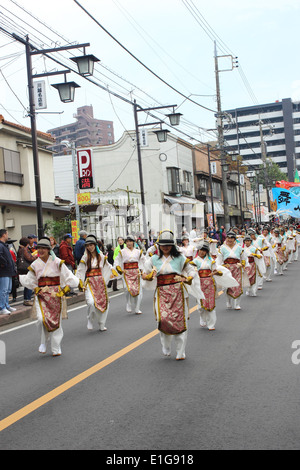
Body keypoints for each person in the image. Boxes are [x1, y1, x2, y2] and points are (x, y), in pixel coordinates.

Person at [142, 230, 201, 360]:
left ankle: (181, 351)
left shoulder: (180, 258)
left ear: (173, 245)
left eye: (168, 244)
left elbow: (191, 270)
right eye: (163, 245)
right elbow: (144, 274)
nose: (166, 247)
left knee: (180, 320)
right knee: (163, 320)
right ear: (159, 246)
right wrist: (149, 276)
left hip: (178, 291)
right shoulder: (153, 259)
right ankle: (166, 345)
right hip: (161, 292)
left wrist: (188, 278)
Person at [19, 237, 82, 356]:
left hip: (55, 295)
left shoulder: (58, 262)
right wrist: (35, 287)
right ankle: (43, 341)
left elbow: (67, 276)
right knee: (41, 319)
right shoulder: (35, 264)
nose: (41, 250)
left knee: (56, 321)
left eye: (43, 248)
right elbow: (30, 279)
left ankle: (56, 348)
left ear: (48, 250)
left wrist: (68, 287)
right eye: (39, 248)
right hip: (41, 295)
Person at [191, 240, 238, 331]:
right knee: (201, 305)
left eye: (204, 250)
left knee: (211, 304)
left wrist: (216, 272)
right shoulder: (194, 261)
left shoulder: (211, 261)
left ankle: (211, 324)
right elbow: (191, 272)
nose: (202, 252)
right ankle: (202, 317)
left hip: (210, 284)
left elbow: (217, 271)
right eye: (201, 250)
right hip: (199, 284)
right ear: (198, 250)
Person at [76, 234, 113, 331]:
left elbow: (108, 267)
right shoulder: (84, 258)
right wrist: (79, 281)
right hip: (90, 282)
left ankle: (102, 323)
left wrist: (116, 270)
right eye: (87, 245)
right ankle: (90, 319)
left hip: (100, 283)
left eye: (91, 245)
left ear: (95, 245)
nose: (89, 247)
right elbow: (80, 270)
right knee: (91, 303)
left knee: (103, 303)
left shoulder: (101, 256)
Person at [216, 231, 248, 310]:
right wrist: (222, 266)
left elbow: (244, 258)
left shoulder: (239, 248)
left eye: (231, 238)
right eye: (228, 238)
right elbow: (219, 260)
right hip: (226, 268)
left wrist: (242, 264)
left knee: (237, 285)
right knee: (227, 286)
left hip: (237, 268)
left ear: (234, 239)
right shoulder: (222, 248)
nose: (229, 240)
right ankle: (228, 301)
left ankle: (237, 304)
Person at [114, 234, 145, 314]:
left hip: (136, 272)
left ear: (133, 242)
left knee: (139, 291)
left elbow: (143, 261)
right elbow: (117, 261)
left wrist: (142, 270)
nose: (129, 243)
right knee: (127, 289)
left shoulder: (138, 251)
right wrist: (118, 268)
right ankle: (128, 302)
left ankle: (137, 308)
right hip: (126, 272)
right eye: (127, 241)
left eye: (130, 241)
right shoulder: (122, 252)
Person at [0, 229, 17, 315]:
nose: (8, 235)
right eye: (7, 234)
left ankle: (6, 305)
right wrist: (5, 263)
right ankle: (2, 307)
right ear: (3, 235)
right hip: (4, 271)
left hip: (8, 271)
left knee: (7, 290)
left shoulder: (4, 245)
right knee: (4, 290)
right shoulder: (0, 245)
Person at [17, 237, 37, 306]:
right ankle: (27, 299)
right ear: (26, 244)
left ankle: (26, 299)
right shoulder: (24, 249)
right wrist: (34, 256)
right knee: (29, 283)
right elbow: (29, 258)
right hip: (26, 268)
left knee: (26, 283)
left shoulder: (19, 249)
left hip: (22, 269)